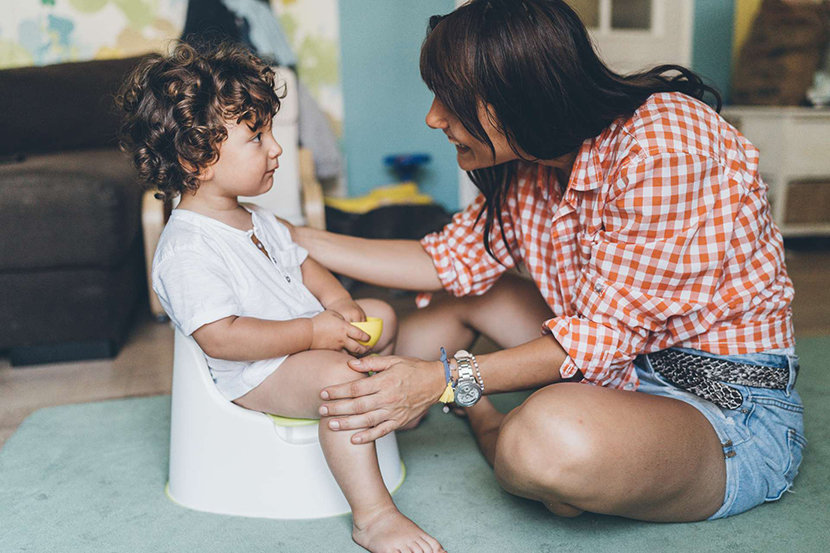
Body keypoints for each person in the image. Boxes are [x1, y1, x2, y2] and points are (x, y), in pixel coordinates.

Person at [287, 0, 805, 523]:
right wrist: (290, 236)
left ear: (520, 93)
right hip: (617, 371)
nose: (433, 117)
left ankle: (485, 422)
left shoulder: (665, 146)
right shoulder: (533, 165)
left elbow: (602, 337)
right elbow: (442, 259)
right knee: (466, 299)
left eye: (450, 99)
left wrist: (442, 380)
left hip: (724, 407)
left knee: (541, 444)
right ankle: (393, 400)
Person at [117, 41, 445, 553]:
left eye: (271, 131)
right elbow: (222, 339)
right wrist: (316, 331)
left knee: (379, 312)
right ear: (196, 157)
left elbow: (305, 265)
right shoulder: (187, 248)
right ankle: (375, 517)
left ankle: (384, 407)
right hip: (256, 371)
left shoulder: (258, 219)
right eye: (257, 136)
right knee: (341, 380)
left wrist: (338, 304)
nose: (276, 149)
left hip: (303, 345)